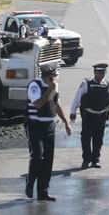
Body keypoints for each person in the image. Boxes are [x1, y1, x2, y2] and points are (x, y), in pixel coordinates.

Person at [25, 62, 71, 201]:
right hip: (35, 125)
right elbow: (38, 104)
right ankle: (30, 182)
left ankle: (43, 192)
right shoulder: (35, 86)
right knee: (38, 156)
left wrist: (65, 121)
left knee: (48, 160)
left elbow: (56, 104)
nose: (56, 79)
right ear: (48, 77)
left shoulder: (53, 87)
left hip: (49, 126)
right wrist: (49, 90)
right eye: (54, 77)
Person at [70, 63, 109, 169]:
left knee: (98, 138)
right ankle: (86, 160)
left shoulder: (108, 84)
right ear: (94, 72)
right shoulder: (86, 83)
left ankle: (96, 160)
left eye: (103, 73)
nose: (101, 75)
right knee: (86, 138)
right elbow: (77, 97)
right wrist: (73, 111)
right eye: (99, 73)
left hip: (101, 116)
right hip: (88, 116)